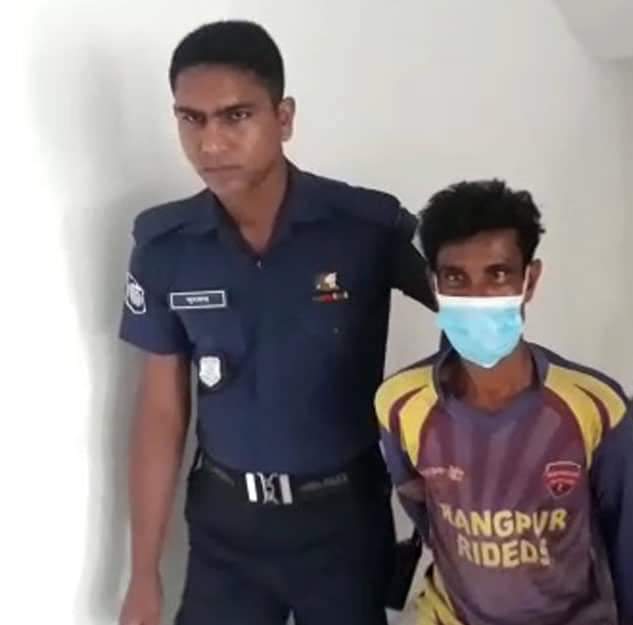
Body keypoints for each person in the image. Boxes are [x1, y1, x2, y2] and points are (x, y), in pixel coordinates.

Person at [116, 20, 434, 625]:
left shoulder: (363, 227)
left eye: (235, 116)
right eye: (191, 119)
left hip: (343, 522)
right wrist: (143, 573)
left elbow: (473, 308)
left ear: (283, 118)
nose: (211, 143)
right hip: (225, 527)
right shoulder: (165, 247)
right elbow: (161, 412)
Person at [373, 180, 633, 625]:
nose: (477, 297)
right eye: (456, 278)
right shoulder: (400, 403)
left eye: (498, 274)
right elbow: (425, 512)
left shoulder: (594, 406)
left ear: (530, 280)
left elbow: (626, 537)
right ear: (433, 284)